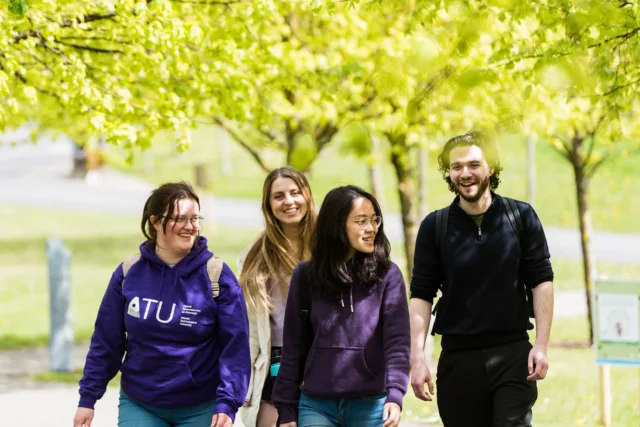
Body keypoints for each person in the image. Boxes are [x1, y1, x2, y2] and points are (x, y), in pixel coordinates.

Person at [73, 182, 251, 427]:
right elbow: (106, 341)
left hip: (201, 407)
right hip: (141, 403)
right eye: (181, 219)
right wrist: (88, 398)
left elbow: (236, 346)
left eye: (195, 218)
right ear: (155, 221)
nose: (191, 227)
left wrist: (228, 401)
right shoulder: (129, 273)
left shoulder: (217, 276)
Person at [409, 131, 554, 427]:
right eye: (456, 167)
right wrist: (417, 359)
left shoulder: (521, 217)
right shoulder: (434, 227)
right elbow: (421, 295)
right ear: (448, 174)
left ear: (491, 168)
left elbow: (542, 281)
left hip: (513, 355)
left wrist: (541, 344)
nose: (465, 173)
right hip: (457, 359)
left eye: (474, 164)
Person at [273, 185, 410, 427]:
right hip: (315, 404)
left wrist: (395, 393)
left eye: (374, 220)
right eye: (361, 221)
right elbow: (293, 346)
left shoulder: (387, 275)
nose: (371, 228)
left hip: (370, 405)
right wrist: (286, 410)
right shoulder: (305, 276)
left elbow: (397, 342)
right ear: (337, 226)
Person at [237, 166, 317, 427]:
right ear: (268, 205)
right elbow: (247, 330)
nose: (289, 202)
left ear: (307, 196)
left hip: (321, 358)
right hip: (274, 366)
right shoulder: (254, 258)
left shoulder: (329, 248)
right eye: (279, 196)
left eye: (295, 193)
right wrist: (244, 384)